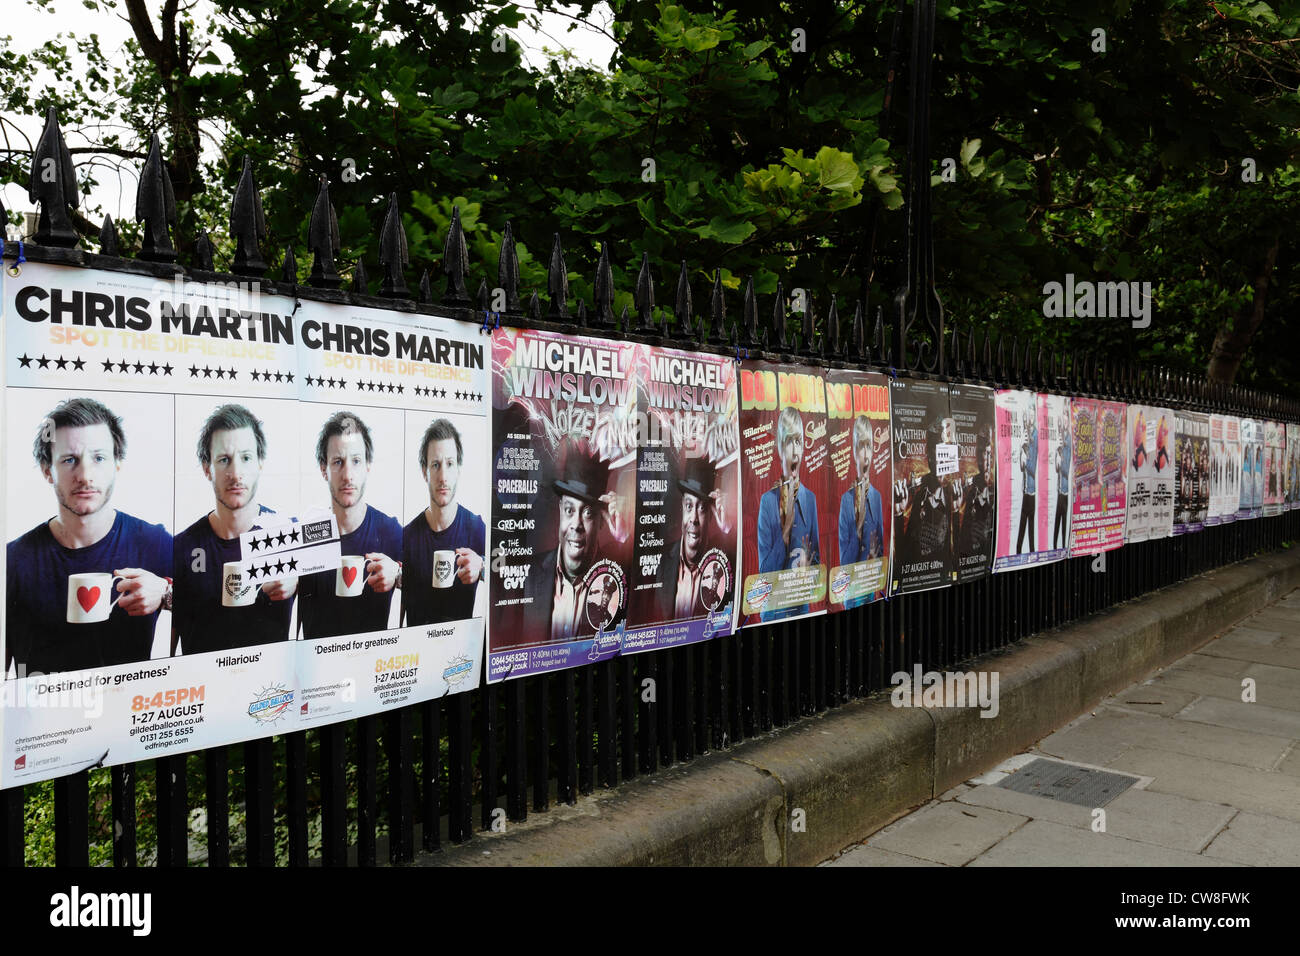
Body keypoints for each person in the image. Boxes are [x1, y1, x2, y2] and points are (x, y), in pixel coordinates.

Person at [6, 398, 171, 676]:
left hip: (129, 715)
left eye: (99, 458)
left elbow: (209, 603)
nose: (85, 475)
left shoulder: (154, 543)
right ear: (48, 471)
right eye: (69, 460)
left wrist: (166, 594)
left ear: (117, 464)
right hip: (44, 717)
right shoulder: (12, 561)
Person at [173, 404, 296, 654]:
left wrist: (298, 580)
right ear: (208, 469)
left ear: (260, 463)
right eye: (224, 460)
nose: (236, 473)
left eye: (246, 458)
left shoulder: (291, 534)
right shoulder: (180, 548)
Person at [298, 412, 402, 638]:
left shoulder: (390, 531)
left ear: (368, 466)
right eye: (338, 462)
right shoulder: (305, 535)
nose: (347, 475)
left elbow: (423, 577)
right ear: (323, 469)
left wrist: (399, 574)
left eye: (356, 461)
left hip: (373, 666)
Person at [522, 441, 621, 642]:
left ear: (602, 520)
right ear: (560, 510)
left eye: (588, 513)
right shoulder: (527, 576)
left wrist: (623, 533)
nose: (576, 524)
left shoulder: (617, 575)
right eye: (569, 510)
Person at [402, 418, 486, 627]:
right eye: (435, 465)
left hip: (462, 654)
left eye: (449, 464)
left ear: (458, 469)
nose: (443, 477)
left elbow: (507, 569)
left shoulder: (476, 528)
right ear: (424, 471)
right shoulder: (406, 536)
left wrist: (482, 565)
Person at [757, 405, 821, 620]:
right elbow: (764, 575)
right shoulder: (767, 502)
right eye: (788, 442)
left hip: (800, 610)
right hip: (773, 613)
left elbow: (817, 568)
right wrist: (784, 534)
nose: (795, 451)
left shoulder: (810, 500)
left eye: (799, 442)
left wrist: (808, 573)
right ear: (779, 449)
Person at [655, 458, 726, 621]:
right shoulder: (661, 562)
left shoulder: (722, 561)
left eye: (701, 508)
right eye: (689, 506)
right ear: (682, 507)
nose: (693, 518)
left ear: (711, 515)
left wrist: (727, 529)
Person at [893, 417, 953, 578]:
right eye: (934, 452)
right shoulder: (919, 495)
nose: (940, 459)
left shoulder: (954, 495)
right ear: (929, 455)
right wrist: (898, 514)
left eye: (945, 452)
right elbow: (905, 553)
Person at [837, 415, 883, 609]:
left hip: (872, 589)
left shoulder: (877, 497)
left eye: (869, 447)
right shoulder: (847, 501)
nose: (866, 454)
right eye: (861, 447)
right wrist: (857, 530)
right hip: (854, 593)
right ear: (855, 452)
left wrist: (875, 556)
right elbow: (844, 563)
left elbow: (881, 551)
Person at [1016, 410, 1038, 553]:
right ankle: (1019, 550)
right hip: (1025, 490)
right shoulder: (1027, 435)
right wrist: (1021, 451)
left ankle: (1029, 550)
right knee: (1023, 524)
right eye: (1027, 415)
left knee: (1029, 527)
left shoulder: (1034, 436)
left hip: (1031, 490)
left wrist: (1025, 454)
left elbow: (1032, 467)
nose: (1029, 418)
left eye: (1031, 415)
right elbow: (1021, 466)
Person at [1053, 419, 1071, 549]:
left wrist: (1061, 457)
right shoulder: (1060, 448)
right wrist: (1057, 456)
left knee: (1064, 524)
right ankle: (1055, 547)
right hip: (1059, 491)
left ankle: (1064, 547)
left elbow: (1065, 470)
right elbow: (1056, 468)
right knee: (1056, 523)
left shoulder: (1068, 446)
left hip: (1065, 492)